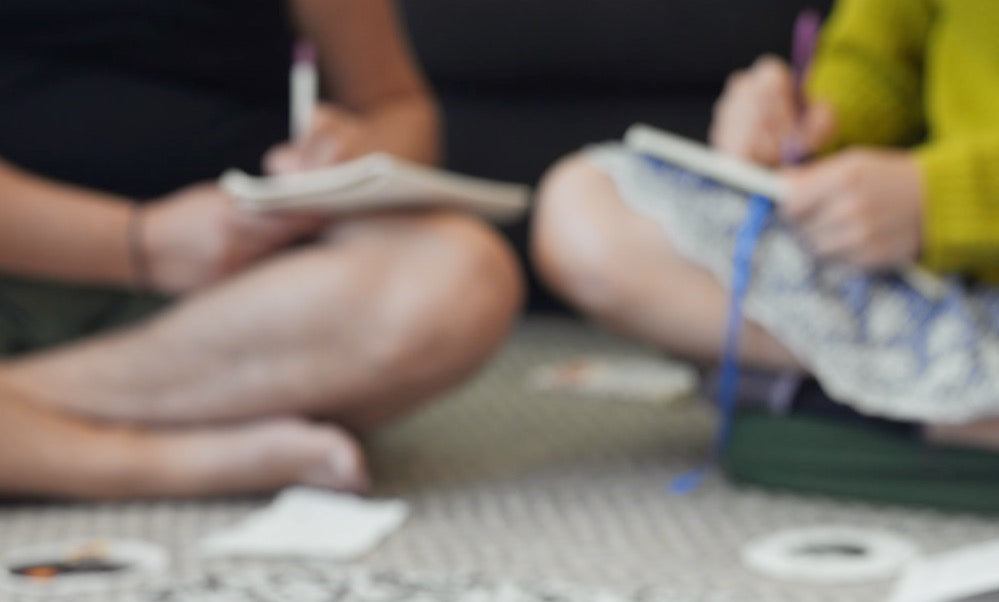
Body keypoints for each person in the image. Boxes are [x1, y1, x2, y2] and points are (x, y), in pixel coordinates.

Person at [0, 0, 524, 499]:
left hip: (232, 305)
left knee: (460, 277)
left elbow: (398, 108)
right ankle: (163, 464)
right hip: (21, 276)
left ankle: (31, 432)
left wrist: (349, 158)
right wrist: (142, 242)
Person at [531, 0, 999, 447]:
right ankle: (955, 406)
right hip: (939, 300)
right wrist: (810, 126)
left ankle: (918, 409)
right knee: (586, 210)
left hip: (948, 239)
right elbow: (877, 61)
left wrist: (939, 200)